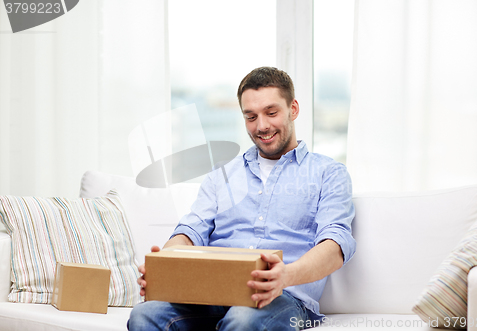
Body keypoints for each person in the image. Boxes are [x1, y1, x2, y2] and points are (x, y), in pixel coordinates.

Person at [127, 67, 356, 331]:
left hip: (283, 298)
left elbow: (335, 244)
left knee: (242, 320)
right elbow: (191, 230)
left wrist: (285, 276)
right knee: (144, 314)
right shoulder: (221, 174)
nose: (262, 126)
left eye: (272, 113)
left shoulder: (329, 173)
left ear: (293, 109)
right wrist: (164, 267)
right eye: (251, 116)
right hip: (210, 294)